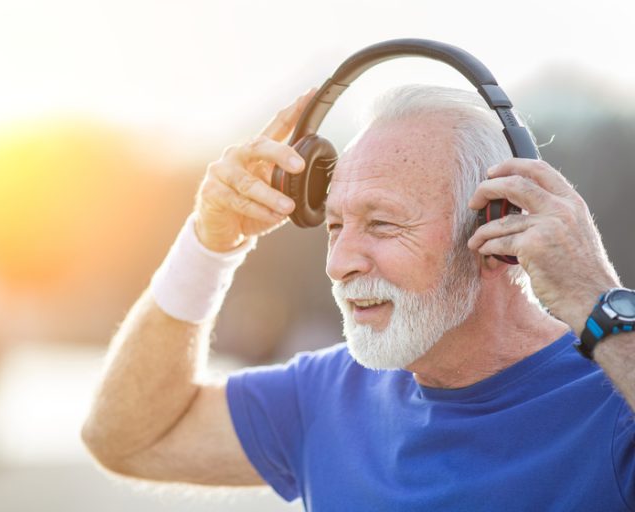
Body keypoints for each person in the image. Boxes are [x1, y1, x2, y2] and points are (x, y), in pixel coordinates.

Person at [81, 85, 635, 511]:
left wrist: (594, 295)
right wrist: (208, 242)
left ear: (498, 229)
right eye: (336, 225)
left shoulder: (613, 398)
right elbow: (125, 438)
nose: (339, 261)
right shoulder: (325, 395)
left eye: (383, 223)